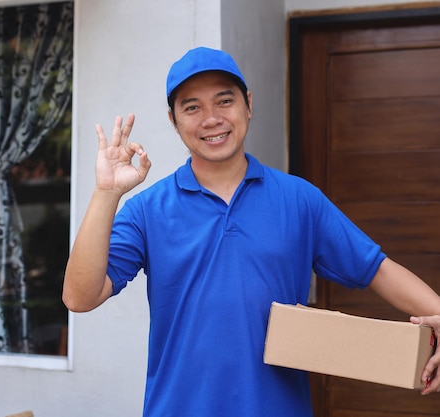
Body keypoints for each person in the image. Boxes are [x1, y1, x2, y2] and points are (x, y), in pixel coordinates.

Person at [62, 46, 440, 416]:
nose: (211, 119)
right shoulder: (147, 210)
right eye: (192, 107)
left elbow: (377, 268)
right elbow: (80, 297)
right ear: (174, 121)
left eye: (224, 101)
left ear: (249, 105)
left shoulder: (299, 199)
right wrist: (106, 193)